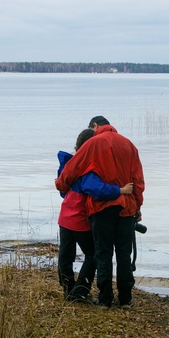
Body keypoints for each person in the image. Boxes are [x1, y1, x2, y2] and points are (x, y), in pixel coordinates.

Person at [55, 116, 145, 309]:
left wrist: (61, 185)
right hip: (126, 208)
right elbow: (138, 179)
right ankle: (126, 299)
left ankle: (105, 299)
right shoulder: (129, 145)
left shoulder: (93, 144)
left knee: (103, 253)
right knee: (124, 254)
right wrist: (137, 205)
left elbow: (72, 169)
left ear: (96, 127)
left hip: (101, 208)